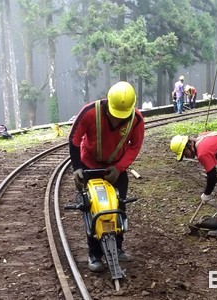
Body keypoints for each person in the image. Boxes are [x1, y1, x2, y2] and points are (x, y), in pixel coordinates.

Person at [68, 81, 145, 272]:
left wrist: (118, 168)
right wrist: (77, 168)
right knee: (93, 209)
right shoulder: (90, 112)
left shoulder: (136, 119)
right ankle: (94, 254)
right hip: (89, 165)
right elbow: (74, 139)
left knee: (119, 205)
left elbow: (135, 146)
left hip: (115, 168)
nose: (119, 120)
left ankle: (117, 247)